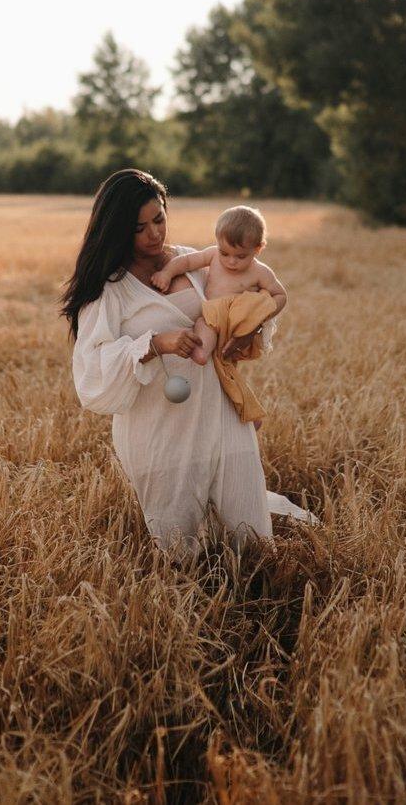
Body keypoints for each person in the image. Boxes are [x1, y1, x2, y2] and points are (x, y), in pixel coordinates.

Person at [62, 168, 317, 560]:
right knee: (180, 547)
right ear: (116, 230)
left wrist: (247, 330)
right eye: (139, 227)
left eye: (159, 219)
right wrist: (156, 343)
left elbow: (240, 302)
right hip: (161, 427)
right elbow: (92, 366)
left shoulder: (192, 261)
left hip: (218, 409)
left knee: (249, 538)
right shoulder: (108, 289)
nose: (154, 234)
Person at [150, 205, 286, 424]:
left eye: (241, 256)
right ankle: (201, 357)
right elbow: (186, 262)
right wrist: (166, 273)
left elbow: (280, 295)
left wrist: (258, 318)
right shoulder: (213, 255)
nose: (231, 261)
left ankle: (247, 413)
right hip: (212, 319)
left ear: (258, 249)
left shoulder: (260, 271)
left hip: (239, 327)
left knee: (228, 370)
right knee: (205, 354)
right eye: (225, 253)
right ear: (217, 242)